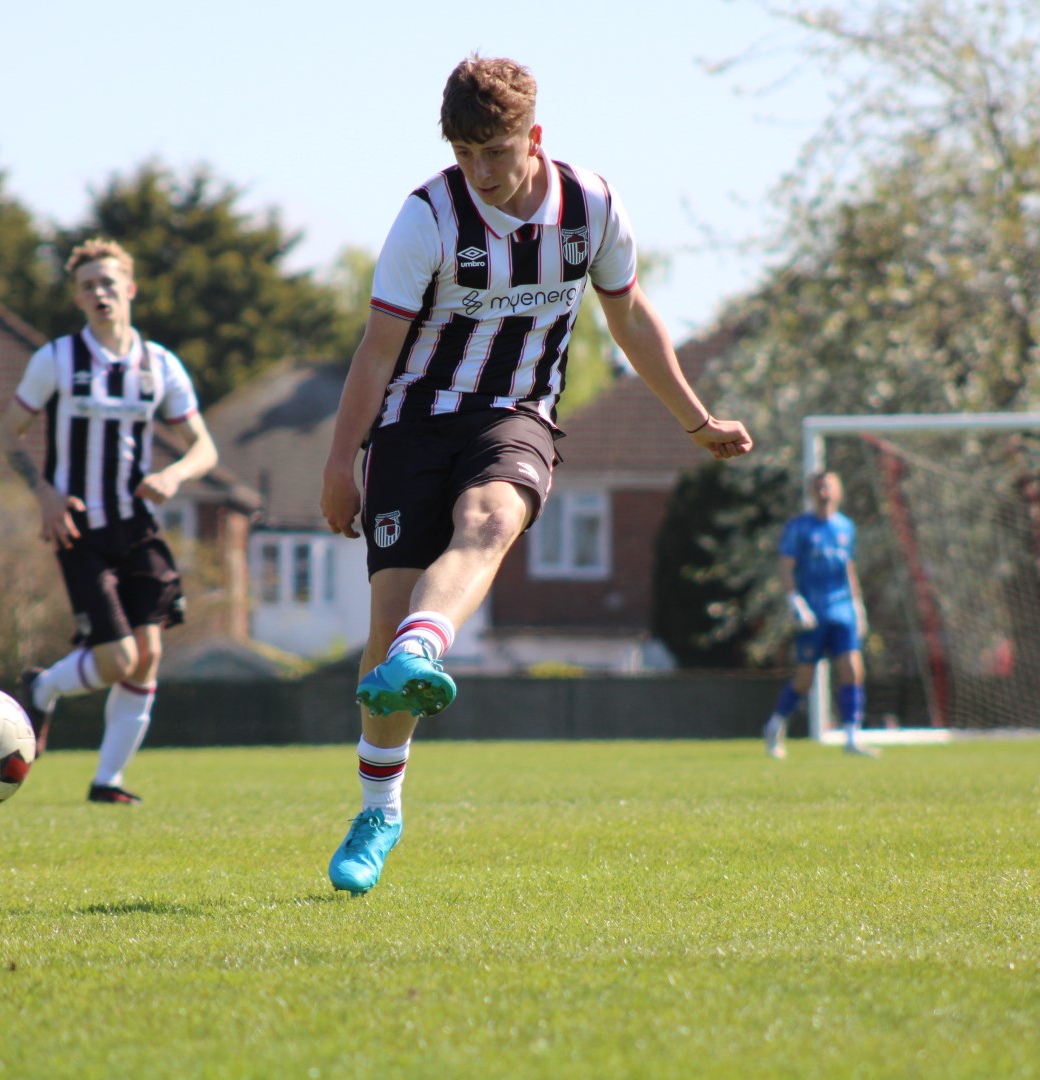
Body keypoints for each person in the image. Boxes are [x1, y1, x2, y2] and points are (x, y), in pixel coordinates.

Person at [318, 55, 753, 894]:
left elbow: (630, 319)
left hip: (516, 414)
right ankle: (380, 809)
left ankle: (421, 646)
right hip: (412, 423)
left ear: (535, 137)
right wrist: (341, 464)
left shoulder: (591, 207)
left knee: (489, 520)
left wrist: (696, 420)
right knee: (382, 634)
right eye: (464, 154)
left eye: (496, 151)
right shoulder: (427, 218)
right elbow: (376, 354)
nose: (481, 172)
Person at [1, 238, 218, 804]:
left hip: (137, 526)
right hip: (79, 528)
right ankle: (43, 687)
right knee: (120, 658)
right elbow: (9, 433)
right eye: (88, 286)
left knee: (149, 657)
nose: (100, 293)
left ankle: (108, 782)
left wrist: (174, 475)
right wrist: (44, 493)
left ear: (130, 289)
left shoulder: (159, 364)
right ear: (77, 298)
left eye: (108, 283)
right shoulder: (56, 359)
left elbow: (204, 448)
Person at [762, 471, 876, 759]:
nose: (824, 491)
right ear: (812, 493)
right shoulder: (799, 527)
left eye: (829, 486)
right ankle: (775, 724)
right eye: (819, 487)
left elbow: (848, 567)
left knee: (853, 669)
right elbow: (786, 566)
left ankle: (851, 737)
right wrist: (795, 602)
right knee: (805, 679)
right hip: (813, 612)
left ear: (839, 491)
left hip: (842, 609)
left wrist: (858, 606)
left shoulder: (845, 527)